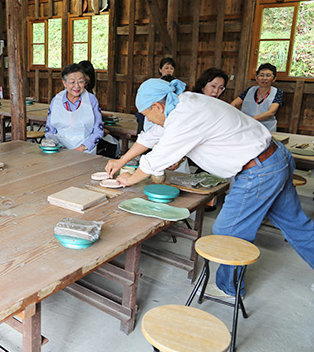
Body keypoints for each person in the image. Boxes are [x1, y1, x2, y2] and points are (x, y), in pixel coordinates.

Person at [112, 78, 314, 298]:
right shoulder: (183, 102)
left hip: (259, 171)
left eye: (147, 114)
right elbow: (152, 136)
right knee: (297, 225)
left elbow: (155, 160)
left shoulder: (184, 117)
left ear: (158, 106)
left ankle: (228, 288)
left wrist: (128, 179)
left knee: (228, 231)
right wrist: (121, 161)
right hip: (274, 158)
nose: (148, 119)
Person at [46, 63, 103, 154]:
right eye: (72, 82)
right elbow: (49, 132)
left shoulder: (91, 100)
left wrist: (81, 148)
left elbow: (98, 132)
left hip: (85, 152)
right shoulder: (56, 100)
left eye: (80, 82)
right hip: (60, 152)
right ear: (64, 83)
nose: (77, 86)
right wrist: (58, 147)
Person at [230, 63, 282, 131]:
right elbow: (233, 104)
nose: (264, 78)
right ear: (256, 78)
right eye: (261, 75)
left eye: (268, 75)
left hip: (267, 129)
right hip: (247, 127)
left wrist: (250, 120)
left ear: (274, 78)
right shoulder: (249, 90)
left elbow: (271, 112)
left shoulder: (277, 92)